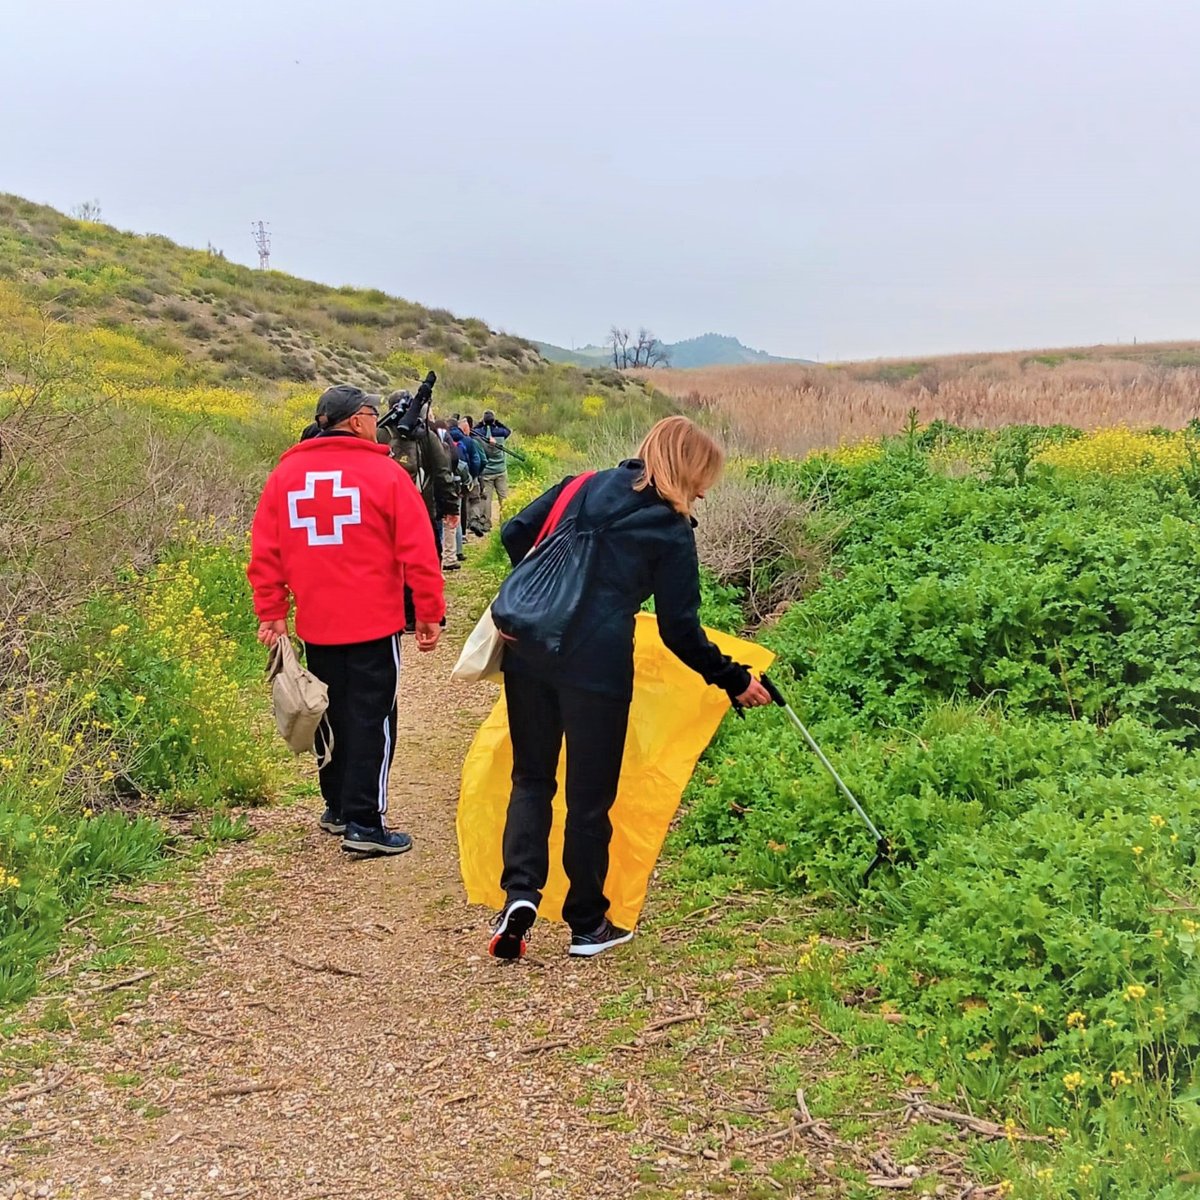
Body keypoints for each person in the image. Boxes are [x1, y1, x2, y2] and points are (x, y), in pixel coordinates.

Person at [488, 416, 771, 960]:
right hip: (597, 668)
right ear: (689, 469)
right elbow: (679, 631)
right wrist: (734, 680)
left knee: (531, 779)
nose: (706, 489)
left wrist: (544, 594)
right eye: (704, 477)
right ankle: (587, 924)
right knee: (589, 800)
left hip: (529, 652)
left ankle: (519, 896)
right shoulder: (669, 530)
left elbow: (514, 532)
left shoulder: (584, 484)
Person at [247, 384, 446, 856]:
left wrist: (273, 612)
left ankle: (337, 808)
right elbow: (418, 550)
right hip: (374, 624)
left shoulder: (285, 475)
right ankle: (365, 824)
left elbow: (265, 552)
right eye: (373, 415)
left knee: (329, 715)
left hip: (317, 625)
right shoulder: (386, 474)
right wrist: (429, 612)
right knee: (373, 719)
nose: (377, 423)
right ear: (357, 420)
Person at [377, 390, 460, 631]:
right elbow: (442, 472)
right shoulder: (426, 435)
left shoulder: (381, 433)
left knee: (393, 563)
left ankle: (405, 615)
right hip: (423, 509)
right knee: (428, 561)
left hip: (386, 514)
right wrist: (451, 507)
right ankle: (431, 613)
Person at [475, 409, 512, 532]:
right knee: (503, 497)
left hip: (487, 472)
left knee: (487, 499)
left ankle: (486, 523)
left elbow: (472, 431)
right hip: (500, 470)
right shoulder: (501, 433)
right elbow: (508, 430)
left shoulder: (480, 434)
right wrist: (498, 422)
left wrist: (481, 424)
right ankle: (505, 521)